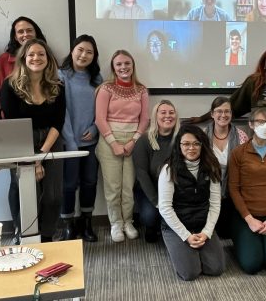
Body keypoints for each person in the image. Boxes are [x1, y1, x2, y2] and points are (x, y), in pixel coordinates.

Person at [1, 38, 66, 242]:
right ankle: (26, 236)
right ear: (23, 58)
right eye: (31, 54)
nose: (36, 58)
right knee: (28, 193)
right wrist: (32, 158)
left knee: (53, 196)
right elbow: (12, 124)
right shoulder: (10, 85)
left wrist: (40, 158)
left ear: (48, 59)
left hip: (51, 139)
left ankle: (46, 237)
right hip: (20, 141)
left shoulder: (57, 86)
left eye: (41, 54)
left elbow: (58, 122)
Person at [158, 125, 225, 281]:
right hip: (177, 226)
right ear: (179, 146)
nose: (191, 148)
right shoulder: (169, 170)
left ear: (202, 145)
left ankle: (196, 250)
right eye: (186, 144)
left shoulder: (212, 166)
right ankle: (179, 249)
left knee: (216, 269)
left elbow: (215, 204)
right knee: (190, 273)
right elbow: (165, 208)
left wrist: (206, 232)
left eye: (196, 143)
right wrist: (186, 236)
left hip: (201, 223)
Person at [95, 50, 149, 242]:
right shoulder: (106, 89)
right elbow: (100, 119)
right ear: (113, 68)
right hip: (110, 141)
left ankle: (128, 221)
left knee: (128, 187)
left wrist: (133, 141)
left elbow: (144, 120)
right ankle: (116, 223)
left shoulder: (141, 90)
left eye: (127, 63)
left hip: (133, 140)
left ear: (132, 65)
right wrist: (114, 144)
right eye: (118, 64)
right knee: (113, 187)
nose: (123, 67)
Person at [229, 107, 266, 274]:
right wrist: (249, 219)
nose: (265, 126)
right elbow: (233, 189)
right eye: (260, 122)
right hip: (246, 217)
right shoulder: (238, 153)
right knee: (252, 265)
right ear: (251, 125)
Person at [56, 35, 103, 242]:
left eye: (89, 52)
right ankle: (68, 224)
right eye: (80, 50)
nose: (84, 55)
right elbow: (61, 111)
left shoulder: (97, 79)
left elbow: (102, 111)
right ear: (72, 50)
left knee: (90, 182)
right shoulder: (60, 75)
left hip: (91, 142)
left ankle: (86, 222)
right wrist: (71, 140)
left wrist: (95, 128)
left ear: (94, 57)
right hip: (68, 143)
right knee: (68, 184)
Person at [133, 100, 180, 243]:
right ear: (155, 116)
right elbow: (141, 174)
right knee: (150, 217)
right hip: (150, 191)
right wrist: (157, 202)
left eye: (171, 113)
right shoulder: (144, 140)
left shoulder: (182, 138)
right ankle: (152, 226)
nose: (168, 116)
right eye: (163, 112)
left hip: (175, 189)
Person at [204, 97, 249, 238]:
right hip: (208, 190)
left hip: (233, 190)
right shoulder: (202, 136)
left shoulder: (242, 136)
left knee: (226, 233)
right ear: (212, 114)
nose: (223, 115)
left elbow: (245, 167)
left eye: (227, 111)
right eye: (219, 111)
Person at [0, 16, 47, 91]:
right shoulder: (4, 59)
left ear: (36, 33)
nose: (25, 34)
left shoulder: (47, 56)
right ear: (15, 37)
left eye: (29, 30)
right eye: (20, 32)